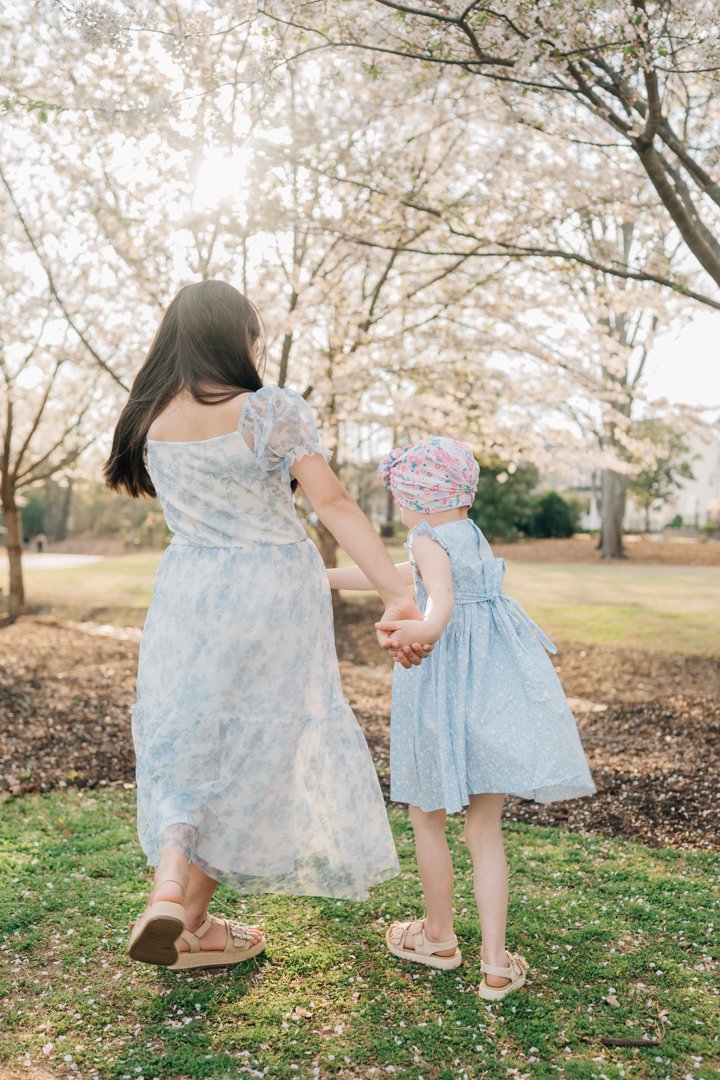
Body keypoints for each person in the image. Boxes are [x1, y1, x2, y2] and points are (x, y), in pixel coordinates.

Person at [104, 279, 429, 971]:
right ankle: (190, 923)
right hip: (270, 589)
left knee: (190, 739)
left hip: (187, 590)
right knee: (258, 751)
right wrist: (398, 592)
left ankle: (172, 887)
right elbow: (334, 503)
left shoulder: (149, 416)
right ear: (234, 338)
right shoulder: (268, 410)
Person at [327, 436, 595, 1000]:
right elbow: (402, 574)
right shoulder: (467, 534)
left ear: (420, 499)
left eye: (402, 497)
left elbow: (437, 594)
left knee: (428, 819)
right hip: (492, 688)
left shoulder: (427, 538)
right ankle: (496, 962)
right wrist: (325, 578)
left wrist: (425, 629)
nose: (400, 508)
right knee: (483, 827)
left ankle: (438, 936)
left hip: (441, 684)